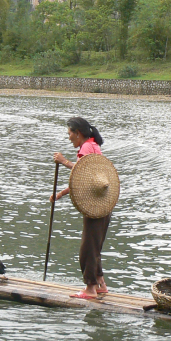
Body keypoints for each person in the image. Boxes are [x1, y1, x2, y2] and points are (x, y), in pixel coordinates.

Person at [50, 116, 110, 300]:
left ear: (78, 133)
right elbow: (86, 180)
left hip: (94, 204)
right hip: (103, 201)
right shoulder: (93, 145)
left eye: (70, 133)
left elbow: (82, 172)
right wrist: (60, 194)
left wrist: (63, 161)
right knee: (94, 246)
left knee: (87, 248)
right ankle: (100, 284)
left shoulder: (86, 147)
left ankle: (90, 289)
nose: (68, 138)